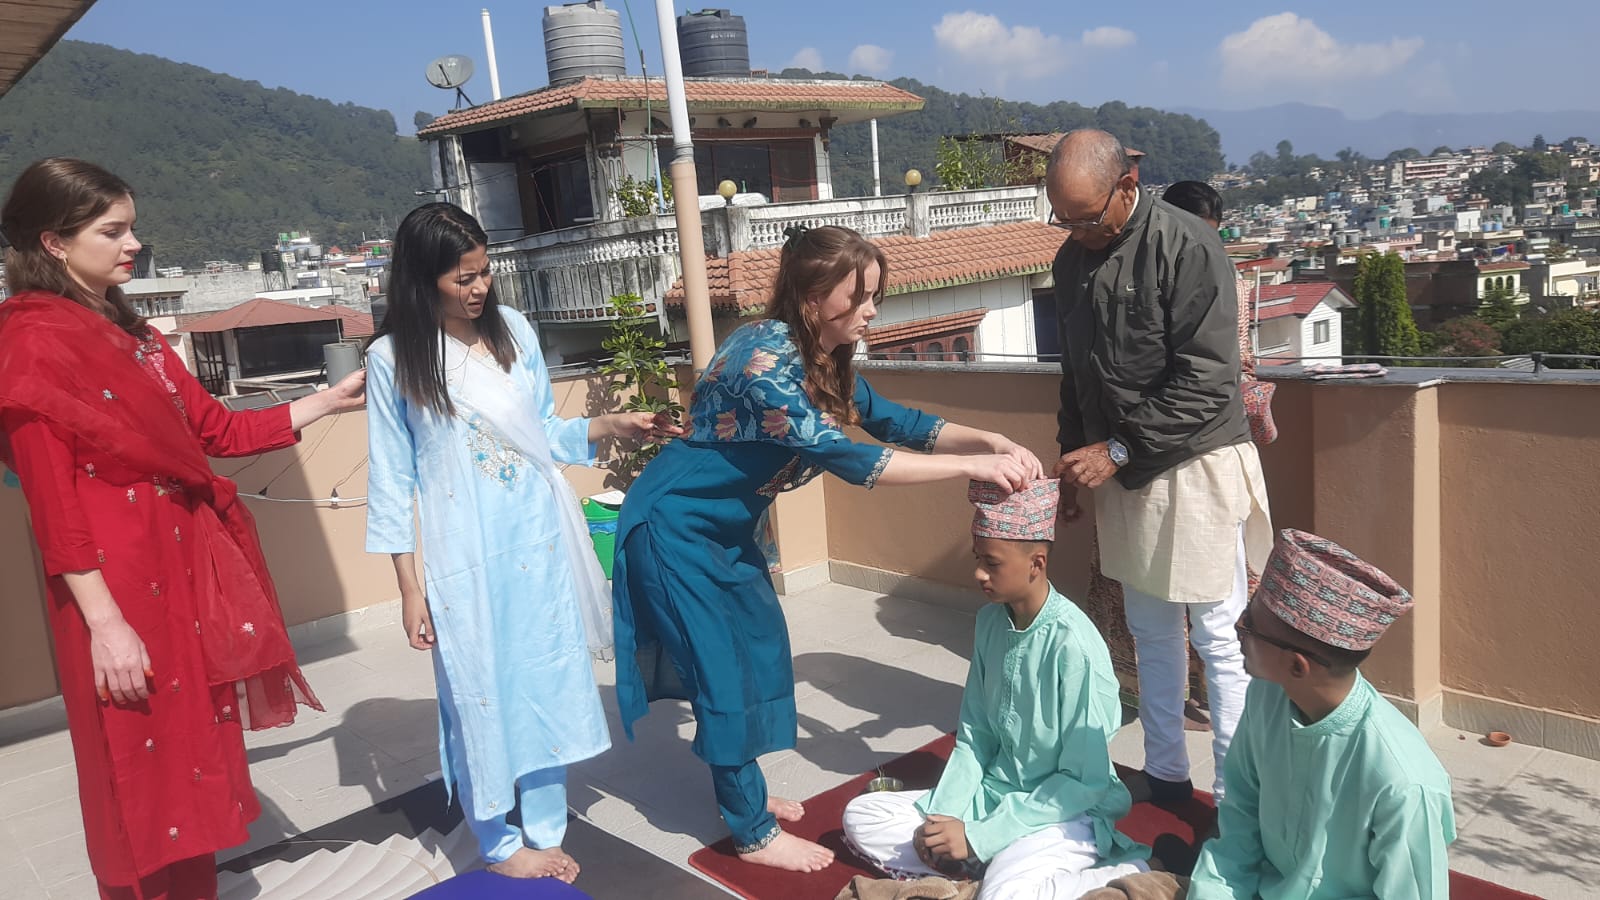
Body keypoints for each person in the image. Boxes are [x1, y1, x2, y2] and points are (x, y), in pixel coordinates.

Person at [612, 224, 1044, 872]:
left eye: (875, 296)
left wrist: (992, 442)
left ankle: (745, 791)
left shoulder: (820, 356)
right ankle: (752, 832)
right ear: (814, 297)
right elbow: (852, 459)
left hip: (722, 531)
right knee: (720, 670)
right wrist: (970, 466)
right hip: (674, 529)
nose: (871, 311)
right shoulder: (766, 365)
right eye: (859, 297)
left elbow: (898, 422)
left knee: (757, 651)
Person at [0, 158, 364, 899]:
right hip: (113, 585)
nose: (134, 244)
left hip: (182, 572)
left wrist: (327, 402)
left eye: (131, 228)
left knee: (192, 753)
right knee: (135, 764)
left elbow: (218, 432)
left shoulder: (136, 337)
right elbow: (53, 506)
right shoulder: (33, 343)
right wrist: (106, 626)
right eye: (113, 231)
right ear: (54, 242)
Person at [364, 203, 679, 881]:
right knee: (477, 689)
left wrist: (611, 425)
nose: (479, 288)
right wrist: (409, 589)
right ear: (422, 279)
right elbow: (391, 482)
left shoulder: (512, 331)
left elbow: (543, 436)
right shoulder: (392, 360)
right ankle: (497, 840)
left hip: (538, 540)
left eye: (484, 272)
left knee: (542, 678)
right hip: (463, 555)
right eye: (462, 278)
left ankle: (543, 827)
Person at [1046, 131, 1273, 804]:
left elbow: (1208, 381)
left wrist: (1116, 449)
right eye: (1064, 219)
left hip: (1195, 460)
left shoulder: (1190, 245)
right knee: (1151, 632)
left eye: (1087, 218)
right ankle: (1168, 774)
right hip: (1122, 469)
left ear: (1127, 186)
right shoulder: (1072, 259)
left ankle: (1235, 798)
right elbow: (1076, 375)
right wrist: (1072, 458)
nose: (1077, 232)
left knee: (1218, 636)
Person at [841, 478, 1151, 899]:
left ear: (1036, 563)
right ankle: (984, 866)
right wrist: (944, 820)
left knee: (1003, 895)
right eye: (978, 559)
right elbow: (975, 737)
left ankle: (1125, 869)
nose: (979, 574)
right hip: (993, 796)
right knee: (863, 814)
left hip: (1063, 811)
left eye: (991, 563)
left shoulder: (1073, 645)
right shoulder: (990, 622)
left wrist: (981, 836)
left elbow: (1083, 781)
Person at [1187, 529, 1456, 898]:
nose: (1237, 628)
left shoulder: (1404, 783)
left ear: (1297, 666)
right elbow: (1241, 817)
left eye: (1250, 624)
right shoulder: (1266, 695)